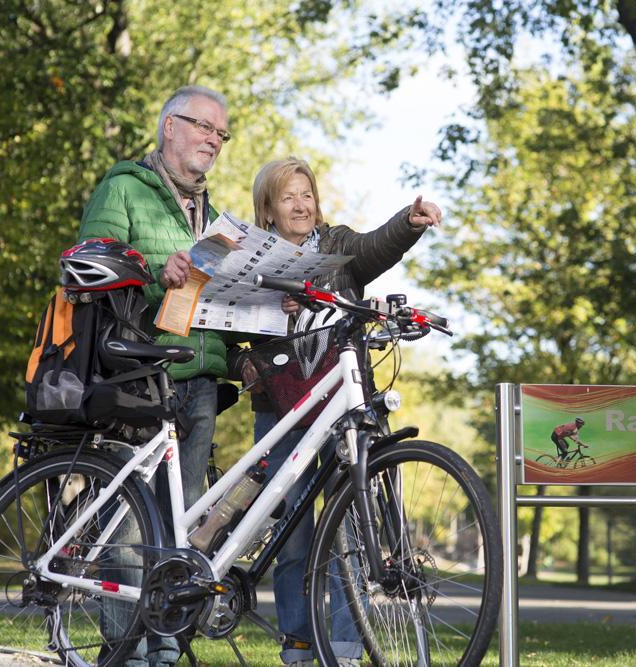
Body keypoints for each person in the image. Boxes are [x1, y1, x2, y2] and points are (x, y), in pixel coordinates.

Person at [229, 156, 441, 667]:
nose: (301, 205)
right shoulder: (256, 261)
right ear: (268, 210)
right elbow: (226, 331)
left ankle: (344, 649)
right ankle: (299, 645)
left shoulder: (339, 246)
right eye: (288, 197)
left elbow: (376, 246)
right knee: (294, 539)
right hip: (281, 416)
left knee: (350, 535)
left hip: (343, 413)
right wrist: (245, 365)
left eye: (306, 194)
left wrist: (408, 223)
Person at [78, 84, 234, 666]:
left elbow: (217, 305)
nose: (213, 141)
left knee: (178, 528)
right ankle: (125, 653)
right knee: (126, 531)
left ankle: (163, 650)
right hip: (133, 377)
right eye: (203, 127)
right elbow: (85, 266)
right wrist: (149, 273)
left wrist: (242, 345)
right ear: (170, 126)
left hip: (197, 384)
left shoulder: (217, 219)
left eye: (221, 133)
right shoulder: (123, 188)